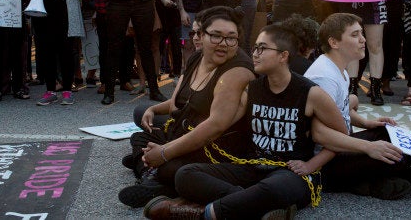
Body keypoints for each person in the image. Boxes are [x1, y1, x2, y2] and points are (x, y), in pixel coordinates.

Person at [145, 23, 349, 219]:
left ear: (283, 56)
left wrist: (311, 165)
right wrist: (166, 149)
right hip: (251, 166)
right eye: (255, 48)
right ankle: (252, 205)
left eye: (262, 48)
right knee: (185, 174)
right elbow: (221, 123)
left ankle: (202, 214)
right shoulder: (252, 88)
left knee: (275, 188)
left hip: (288, 172)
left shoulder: (310, 93)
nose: (255, 54)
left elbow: (342, 134)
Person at [118, 6, 255, 208]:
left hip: (215, 148)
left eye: (231, 38)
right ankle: (154, 174)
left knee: (171, 168)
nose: (223, 44)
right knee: (140, 136)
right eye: (216, 36)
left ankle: (154, 176)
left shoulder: (237, 71)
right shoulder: (196, 58)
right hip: (184, 129)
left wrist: (164, 152)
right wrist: (154, 111)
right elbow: (177, 104)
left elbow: (215, 127)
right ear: (200, 35)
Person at [304, 13, 411, 199]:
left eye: (361, 34)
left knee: (399, 139)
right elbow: (320, 134)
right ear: (334, 42)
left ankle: (371, 176)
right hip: (327, 159)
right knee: (400, 153)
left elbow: (341, 111)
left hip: (340, 147)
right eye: (355, 35)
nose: (363, 39)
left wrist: (368, 123)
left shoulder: (338, 69)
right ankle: (353, 182)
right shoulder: (324, 77)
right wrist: (368, 147)